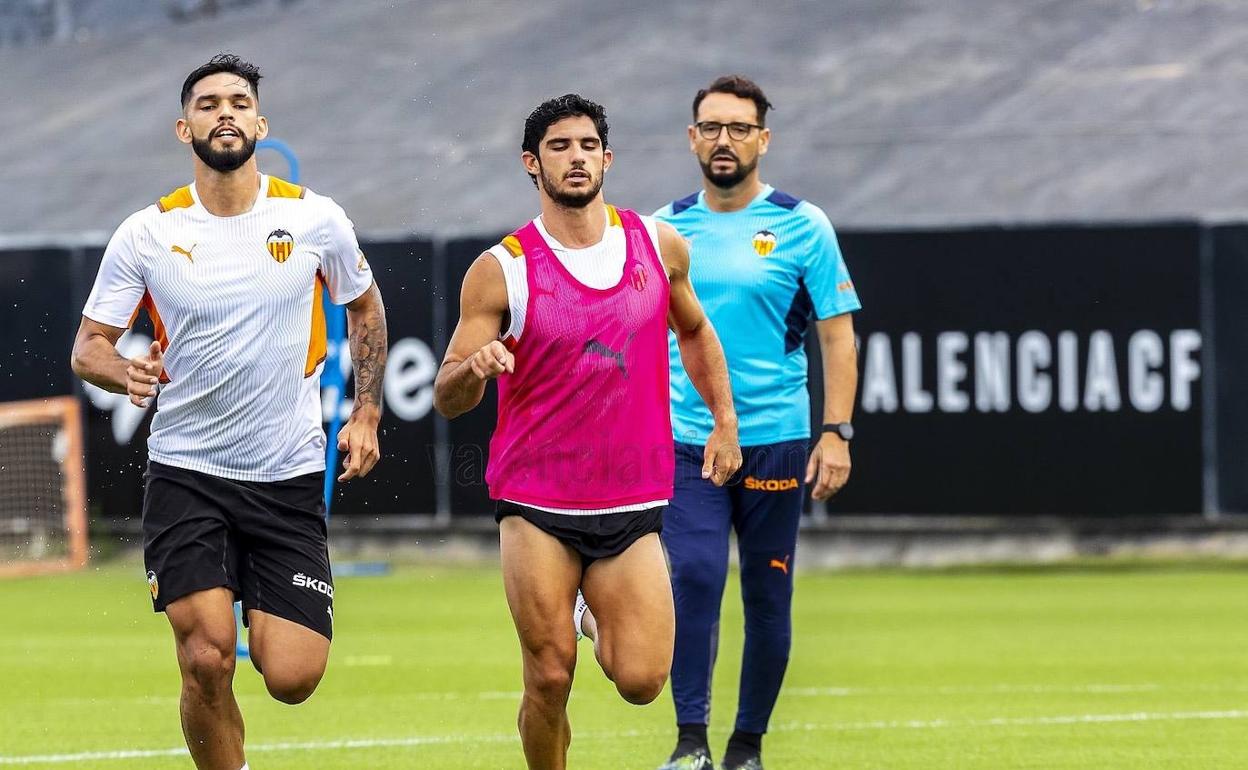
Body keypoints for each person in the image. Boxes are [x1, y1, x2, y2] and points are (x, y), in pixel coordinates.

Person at [69, 53, 387, 770]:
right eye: (208, 104)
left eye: (238, 102)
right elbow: (89, 348)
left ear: (260, 123)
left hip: (288, 476)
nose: (225, 114)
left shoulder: (314, 218)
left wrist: (365, 412)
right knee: (208, 656)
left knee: (293, 677)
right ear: (185, 128)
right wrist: (127, 373)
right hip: (187, 474)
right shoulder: (146, 233)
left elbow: (365, 307)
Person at [434, 94, 742, 770]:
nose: (575, 158)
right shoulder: (504, 267)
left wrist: (724, 420)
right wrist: (475, 370)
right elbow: (447, 394)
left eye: (586, 146)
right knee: (549, 675)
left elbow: (693, 330)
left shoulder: (658, 246)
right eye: (558, 147)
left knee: (640, 681)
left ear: (607, 157)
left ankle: (587, 608)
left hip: (632, 500)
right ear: (531, 163)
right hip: (537, 501)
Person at [654, 75, 862, 770]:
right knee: (694, 576)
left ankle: (747, 747)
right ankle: (691, 743)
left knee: (768, 590)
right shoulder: (662, 230)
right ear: (692, 138)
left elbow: (837, 334)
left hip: (776, 436)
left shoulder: (805, 225)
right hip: (689, 438)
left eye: (739, 128)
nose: (724, 140)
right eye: (711, 127)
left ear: (763, 140)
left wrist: (836, 432)